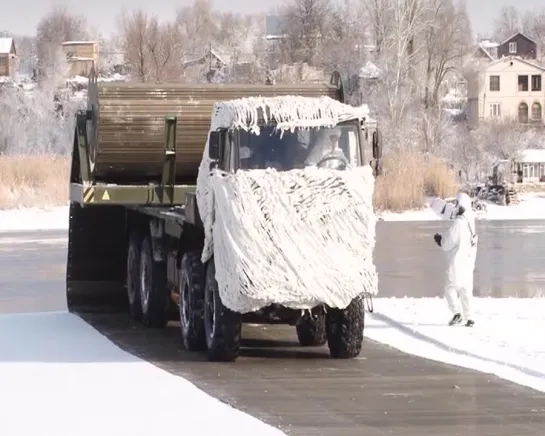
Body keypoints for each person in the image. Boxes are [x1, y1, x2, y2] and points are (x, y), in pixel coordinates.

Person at [433, 192, 478, 327]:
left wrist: (440, 240)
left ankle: (457, 313)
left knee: (450, 288)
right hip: (469, 263)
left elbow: (448, 243)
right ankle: (469, 317)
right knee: (466, 290)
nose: (455, 207)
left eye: (457, 204)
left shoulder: (459, 223)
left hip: (457, 261)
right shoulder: (471, 221)